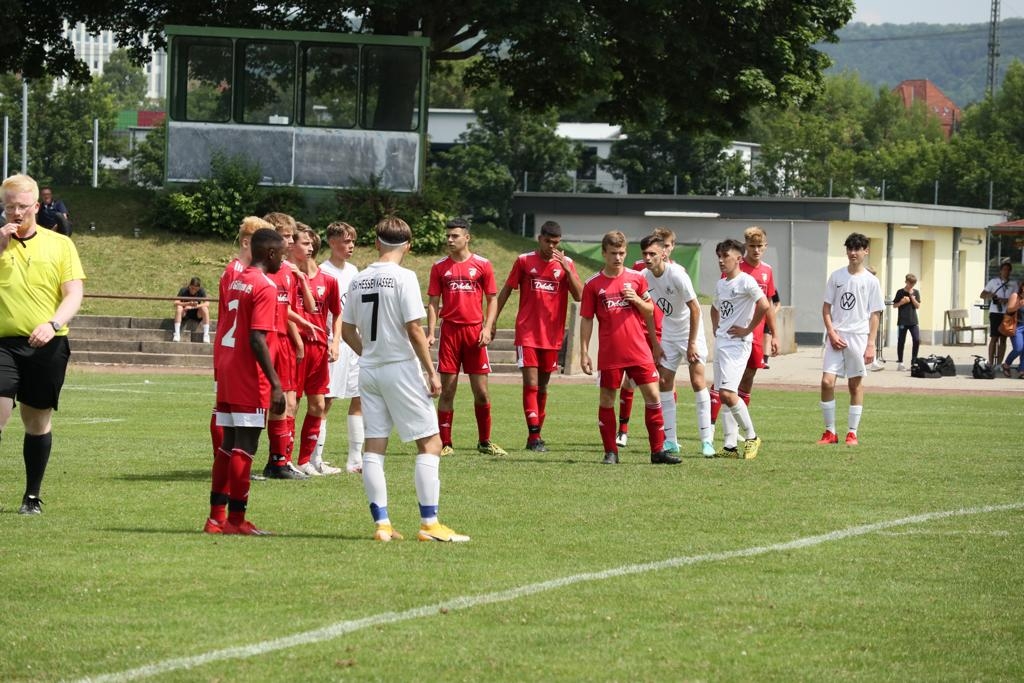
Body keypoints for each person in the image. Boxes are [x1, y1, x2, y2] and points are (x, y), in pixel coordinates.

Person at [341, 216, 470, 542]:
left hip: (370, 369)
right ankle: (429, 524)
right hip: (400, 367)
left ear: (376, 243)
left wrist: (369, 353)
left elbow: (346, 330)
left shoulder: (358, 279)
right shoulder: (404, 277)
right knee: (431, 443)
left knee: (374, 445)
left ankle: (382, 525)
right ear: (408, 246)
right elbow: (414, 328)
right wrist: (431, 371)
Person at [0, 173, 85, 514]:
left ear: (36, 206)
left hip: (47, 346)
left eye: (22, 206)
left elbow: (73, 294)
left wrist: (53, 324)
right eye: (10, 207)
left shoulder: (60, 245)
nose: (16, 213)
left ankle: (31, 496)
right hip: (2, 343)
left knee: (36, 422)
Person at [204, 228, 287, 535]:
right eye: (282, 255)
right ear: (270, 253)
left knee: (228, 444)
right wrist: (275, 383)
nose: (283, 261)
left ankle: (216, 518)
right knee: (246, 444)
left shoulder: (237, 278)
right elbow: (257, 338)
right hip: (248, 374)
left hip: (228, 368)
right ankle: (237, 521)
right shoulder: (265, 285)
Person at [579, 231, 679, 465]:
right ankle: (611, 452)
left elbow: (650, 310)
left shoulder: (636, 278)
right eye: (613, 253)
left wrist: (637, 300)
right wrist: (584, 351)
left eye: (622, 253)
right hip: (610, 353)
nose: (618, 257)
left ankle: (657, 452)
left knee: (653, 396)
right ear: (604, 253)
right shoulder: (593, 284)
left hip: (639, 350)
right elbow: (586, 319)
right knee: (607, 400)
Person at [493, 221, 583, 452]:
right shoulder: (524, 261)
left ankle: (535, 435)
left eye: (556, 242)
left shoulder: (566, 264)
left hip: (552, 336)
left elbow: (580, 296)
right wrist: (491, 321)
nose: (551, 246)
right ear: (539, 238)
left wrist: (567, 270)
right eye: (548, 241)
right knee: (531, 384)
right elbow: (506, 290)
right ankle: (534, 436)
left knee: (542, 386)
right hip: (527, 333)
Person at [427, 218, 507, 458]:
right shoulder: (439, 267)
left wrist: (487, 328)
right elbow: (433, 303)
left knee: (481, 392)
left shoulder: (482, 264)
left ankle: (484, 442)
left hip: (474, 333)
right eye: (448, 236)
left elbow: (492, 299)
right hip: (450, 333)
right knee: (447, 391)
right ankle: (445, 443)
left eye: (455, 236)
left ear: (467, 238)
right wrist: (431, 332)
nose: (450, 240)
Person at [640, 234, 715, 458]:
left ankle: (707, 441)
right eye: (645, 254)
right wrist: (655, 343)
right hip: (669, 333)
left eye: (652, 253)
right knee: (664, 382)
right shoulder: (644, 276)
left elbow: (695, 308)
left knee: (697, 381)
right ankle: (671, 441)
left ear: (663, 253)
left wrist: (692, 343)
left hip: (691, 332)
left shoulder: (677, 274)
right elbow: (648, 312)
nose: (648, 258)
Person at [209, 216, 274, 461]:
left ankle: (227, 464)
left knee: (229, 415)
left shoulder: (242, 273)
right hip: (235, 353)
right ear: (247, 242)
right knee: (229, 417)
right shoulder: (236, 272)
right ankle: (226, 462)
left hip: (232, 351)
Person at [711, 226, 780, 447]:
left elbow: (767, 304)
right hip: (725, 341)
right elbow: (716, 307)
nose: (721, 260)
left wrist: (768, 332)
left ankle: (751, 436)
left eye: (725, 256)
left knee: (735, 387)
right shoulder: (724, 280)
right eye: (753, 246)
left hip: (744, 339)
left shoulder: (757, 275)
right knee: (724, 391)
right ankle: (729, 444)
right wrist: (717, 329)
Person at [261, 212, 316, 480]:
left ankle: (279, 461)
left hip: (283, 340)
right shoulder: (259, 269)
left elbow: (287, 307)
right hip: (264, 339)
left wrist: (300, 329)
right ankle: (243, 457)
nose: (290, 241)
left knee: (287, 402)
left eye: (291, 236)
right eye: (285, 236)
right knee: (259, 404)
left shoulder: (288, 271)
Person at [817, 232, 885, 447]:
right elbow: (826, 308)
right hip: (836, 337)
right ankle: (830, 432)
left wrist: (871, 344)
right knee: (827, 382)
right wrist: (832, 332)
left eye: (857, 249)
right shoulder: (836, 276)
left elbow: (875, 314)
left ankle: (852, 433)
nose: (853, 253)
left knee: (855, 385)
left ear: (866, 251)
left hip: (858, 337)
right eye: (850, 249)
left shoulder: (871, 281)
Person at [618, 227, 677, 447]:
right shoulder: (639, 269)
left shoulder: (677, 272)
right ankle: (622, 430)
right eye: (648, 252)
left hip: (667, 334)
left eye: (668, 246)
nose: (664, 251)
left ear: (671, 247)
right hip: (642, 332)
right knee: (630, 381)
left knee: (665, 383)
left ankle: (668, 435)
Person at [290, 226, 341, 477]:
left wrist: (335, 341)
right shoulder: (287, 276)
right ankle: (284, 459)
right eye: (305, 243)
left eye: (312, 243)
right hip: (294, 347)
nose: (310, 248)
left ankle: (304, 461)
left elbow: (337, 313)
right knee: (292, 404)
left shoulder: (328, 280)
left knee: (318, 404)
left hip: (319, 348)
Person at [317, 221, 364, 474]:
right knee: (326, 401)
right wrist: (330, 340)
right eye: (346, 241)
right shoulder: (323, 272)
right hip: (333, 342)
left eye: (353, 241)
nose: (351, 246)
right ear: (332, 242)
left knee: (360, 398)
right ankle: (315, 458)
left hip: (354, 342)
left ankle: (355, 460)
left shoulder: (354, 271)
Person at [981, 260, 1018, 367]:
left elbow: (1017, 298)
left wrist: (1006, 300)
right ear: (1000, 271)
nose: (1006, 272)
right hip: (995, 312)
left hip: (1007, 313)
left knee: (1003, 338)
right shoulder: (993, 282)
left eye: (1008, 270)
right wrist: (991, 295)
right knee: (994, 337)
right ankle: (990, 362)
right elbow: (982, 295)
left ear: (1010, 271)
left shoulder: (1013, 284)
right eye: (1004, 269)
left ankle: (999, 364)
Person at [892, 274, 921, 372]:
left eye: (913, 284)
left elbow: (918, 306)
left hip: (913, 321)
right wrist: (902, 302)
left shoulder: (916, 292)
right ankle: (900, 363)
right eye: (910, 283)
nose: (912, 285)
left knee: (916, 340)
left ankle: (914, 362)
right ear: (906, 282)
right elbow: (894, 305)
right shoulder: (900, 292)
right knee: (901, 341)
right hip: (902, 321)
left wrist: (912, 297)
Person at [173, 276, 211, 343]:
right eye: (192, 288)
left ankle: (206, 335)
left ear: (199, 288)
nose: (193, 291)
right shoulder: (183, 290)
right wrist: (187, 304)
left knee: (205, 309)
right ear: (189, 286)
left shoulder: (201, 291)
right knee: (179, 308)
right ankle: (177, 334)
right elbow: (175, 302)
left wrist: (194, 307)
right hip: (185, 312)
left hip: (197, 313)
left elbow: (207, 303)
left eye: (196, 289)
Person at [1000, 280, 1024, 378]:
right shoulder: (1015, 296)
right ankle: (1006, 365)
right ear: (1022, 287)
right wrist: (1019, 305)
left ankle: (1022, 371)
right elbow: (1009, 309)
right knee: (1018, 348)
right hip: (1017, 326)